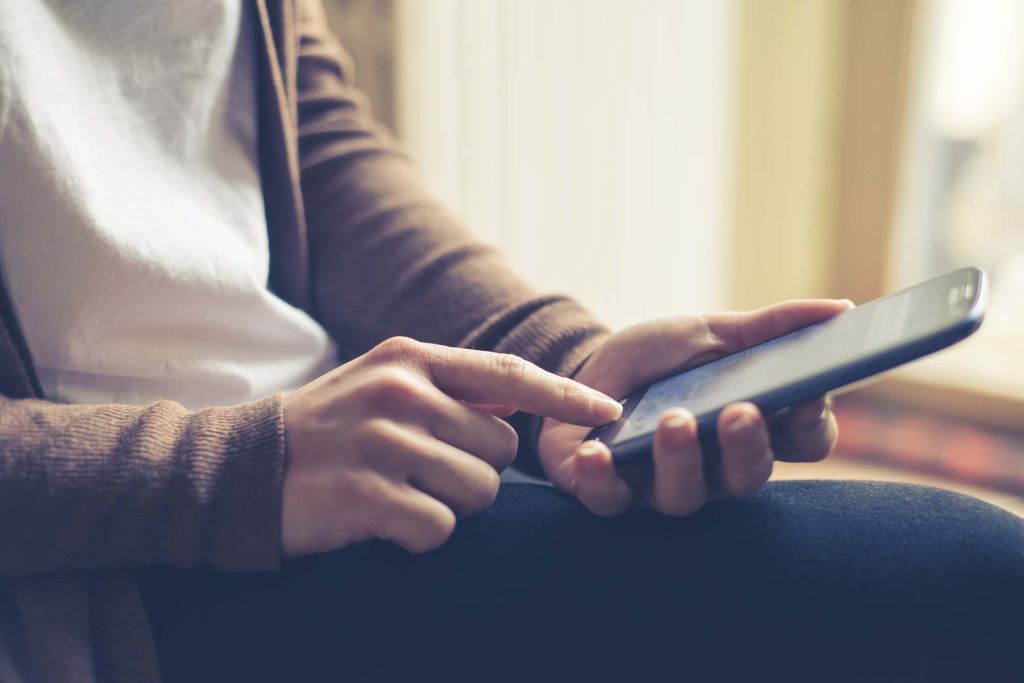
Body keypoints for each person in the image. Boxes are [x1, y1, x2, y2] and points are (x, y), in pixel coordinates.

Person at [0, 1, 1021, 681]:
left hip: (331, 460)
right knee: (964, 577)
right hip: (106, 564)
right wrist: (227, 470)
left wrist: (557, 358)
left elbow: (303, 131)